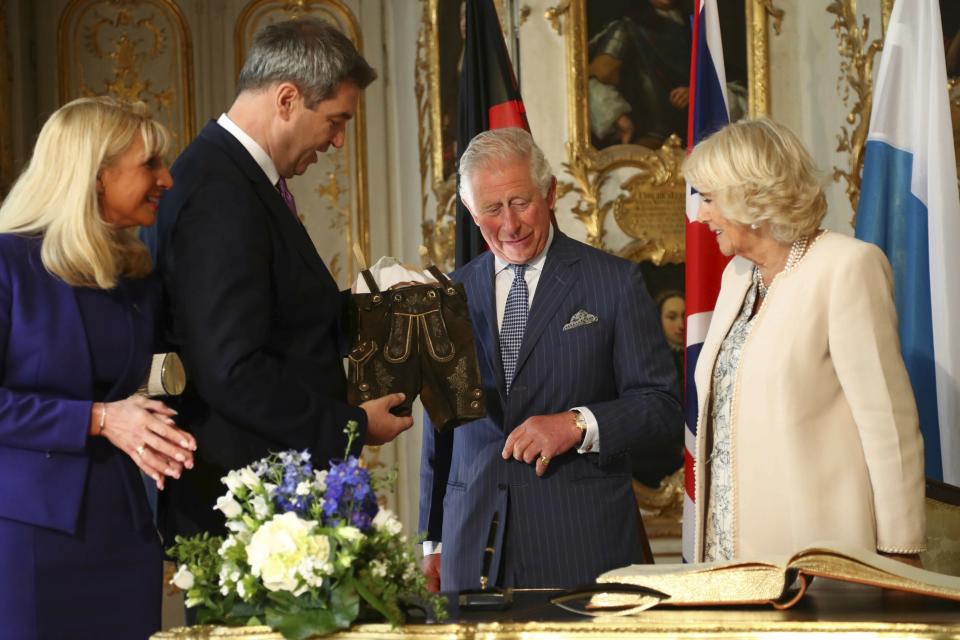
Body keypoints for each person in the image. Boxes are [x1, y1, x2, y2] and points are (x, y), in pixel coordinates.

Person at [150, 18, 413, 541]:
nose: (338, 141)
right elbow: (232, 369)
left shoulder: (238, 178)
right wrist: (353, 428)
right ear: (288, 99)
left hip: (274, 498)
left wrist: (372, 304)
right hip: (251, 506)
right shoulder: (220, 193)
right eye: (335, 120)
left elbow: (279, 320)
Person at [419, 128, 683, 592]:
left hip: (580, 541)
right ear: (470, 211)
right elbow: (439, 430)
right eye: (492, 210)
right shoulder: (448, 295)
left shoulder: (614, 283)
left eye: (520, 203)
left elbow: (661, 404)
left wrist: (577, 424)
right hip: (472, 543)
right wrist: (434, 539)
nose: (509, 225)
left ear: (551, 193)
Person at [683, 118, 926, 564]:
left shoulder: (846, 267)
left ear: (749, 195)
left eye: (710, 199)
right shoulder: (737, 276)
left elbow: (887, 423)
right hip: (726, 558)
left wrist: (899, 551)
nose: (701, 216)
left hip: (817, 550)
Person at [0, 96, 197, 638]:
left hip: (123, 531)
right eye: (150, 164)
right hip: (27, 540)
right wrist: (101, 419)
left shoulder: (134, 277)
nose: (167, 179)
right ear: (95, 175)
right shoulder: (7, 264)